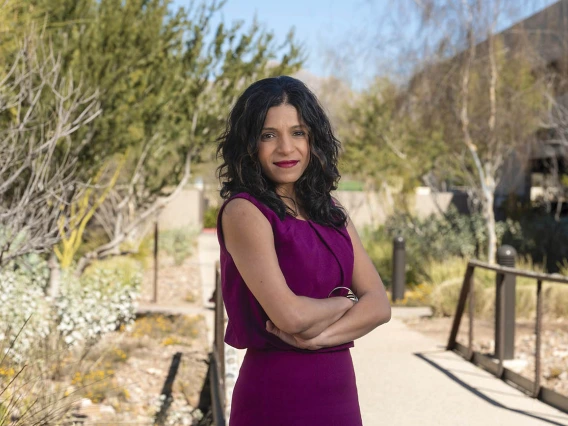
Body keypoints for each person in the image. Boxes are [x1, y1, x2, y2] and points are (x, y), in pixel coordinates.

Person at [215, 75, 391, 426]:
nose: (286, 148)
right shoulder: (245, 211)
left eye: (298, 133)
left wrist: (318, 339)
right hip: (276, 396)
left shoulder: (330, 209)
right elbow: (290, 317)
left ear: (313, 139)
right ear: (249, 144)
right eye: (268, 135)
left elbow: (380, 306)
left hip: (339, 393)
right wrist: (347, 302)